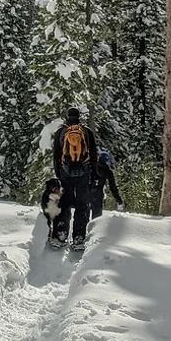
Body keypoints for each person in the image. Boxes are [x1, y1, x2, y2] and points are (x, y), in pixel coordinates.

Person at [50, 107, 98, 249]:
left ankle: (61, 236)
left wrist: (59, 173)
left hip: (65, 174)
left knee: (64, 203)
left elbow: (56, 155)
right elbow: (94, 155)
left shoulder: (61, 132)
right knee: (82, 205)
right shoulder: (87, 132)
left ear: (67, 116)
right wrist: (93, 174)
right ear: (79, 116)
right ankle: (79, 239)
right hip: (84, 173)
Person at [90, 148, 124, 219]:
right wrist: (118, 199)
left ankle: (82, 229)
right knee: (96, 217)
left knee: (83, 215)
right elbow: (113, 187)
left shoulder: (92, 166)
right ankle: (94, 229)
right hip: (98, 195)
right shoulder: (107, 171)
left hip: (87, 192)